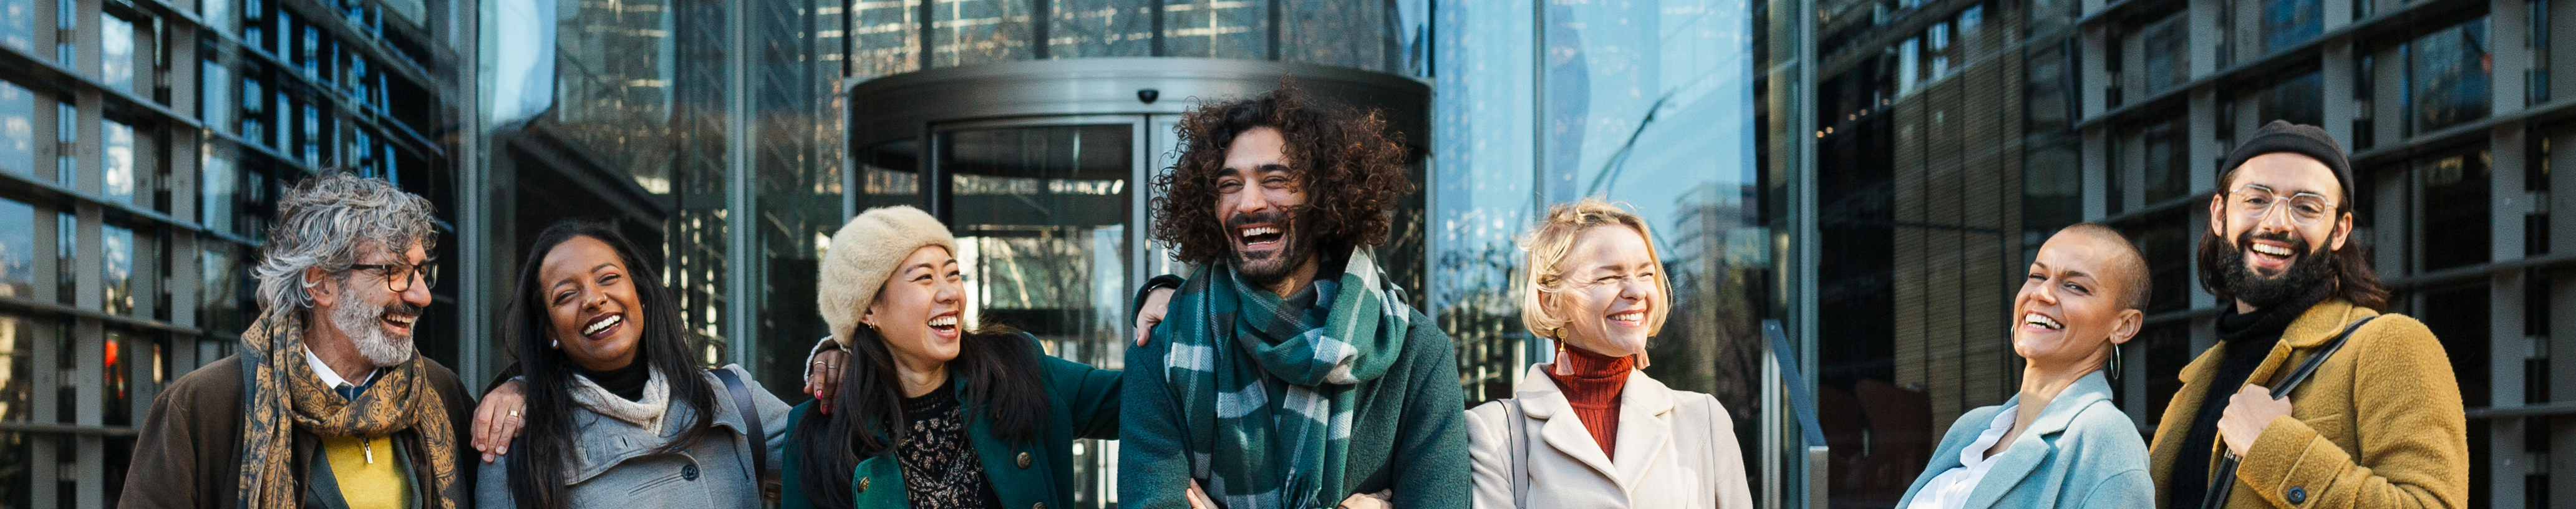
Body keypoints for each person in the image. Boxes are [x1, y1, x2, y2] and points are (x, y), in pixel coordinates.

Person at [1121, 84, 1469, 509]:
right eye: (1229, 185)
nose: (1248, 203)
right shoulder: (1163, 348)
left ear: (1324, 198)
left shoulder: (1418, 355)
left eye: (1275, 180)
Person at [2150, 120, 2466, 509]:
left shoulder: (2389, 344)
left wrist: (2275, 448)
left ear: (2339, 231)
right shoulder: (2198, 380)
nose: (2277, 223)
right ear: (2219, 215)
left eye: (2306, 207)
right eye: (2255, 199)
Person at [120, 172, 477, 508]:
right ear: (320, 284)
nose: (421, 296)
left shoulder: (441, 394)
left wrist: (517, 393)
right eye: (394, 272)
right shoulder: (200, 409)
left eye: (420, 271)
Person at [780, 205, 1122, 509]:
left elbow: (1144, 396)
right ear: (869, 308)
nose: (950, 294)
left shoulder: (1018, 370)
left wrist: (1164, 295)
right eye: (925, 278)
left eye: (953, 274)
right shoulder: (820, 433)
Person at [473, 221, 791, 507]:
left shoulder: (731, 396)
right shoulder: (518, 446)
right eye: (567, 295)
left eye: (608, 278)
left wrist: (839, 351)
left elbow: (832, 460)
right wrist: (522, 385)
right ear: (550, 331)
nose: (594, 299)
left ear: (640, 293)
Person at [1461, 199, 1754, 509]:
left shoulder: (1703, 419)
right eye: (1608, 277)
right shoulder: (1493, 433)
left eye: (1646, 274)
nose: (1637, 292)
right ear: (1551, 302)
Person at [1891, 223, 2155, 509]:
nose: (2042, 293)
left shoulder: (2106, 441)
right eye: (2037, 276)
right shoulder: (1971, 427)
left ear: (2124, 326)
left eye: (2075, 286)